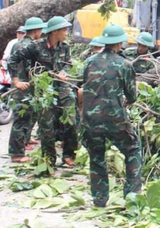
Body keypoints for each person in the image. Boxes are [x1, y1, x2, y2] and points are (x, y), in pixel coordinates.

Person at [79, 24, 141, 208]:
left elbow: (85, 86)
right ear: (120, 43)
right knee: (133, 150)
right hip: (115, 119)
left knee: (96, 156)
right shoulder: (125, 65)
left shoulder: (89, 62)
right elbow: (131, 96)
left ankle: (99, 200)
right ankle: (131, 198)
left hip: (91, 119)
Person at [9, 16, 78, 168]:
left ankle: (68, 155)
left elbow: (68, 63)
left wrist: (64, 72)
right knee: (47, 127)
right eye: (64, 30)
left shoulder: (65, 47)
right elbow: (13, 60)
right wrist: (16, 81)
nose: (67, 33)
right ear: (55, 32)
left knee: (72, 120)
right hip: (44, 90)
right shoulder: (36, 46)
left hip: (62, 87)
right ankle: (49, 161)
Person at [7, 17, 46, 163]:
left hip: (27, 86)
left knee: (27, 117)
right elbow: (12, 62)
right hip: (22, 87)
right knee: (21, 120)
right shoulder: (28, 45)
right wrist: (16, 80)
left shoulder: (20, 43)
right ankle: (16, 154)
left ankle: (23, 145)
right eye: (40, 30)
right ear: (36, 31)